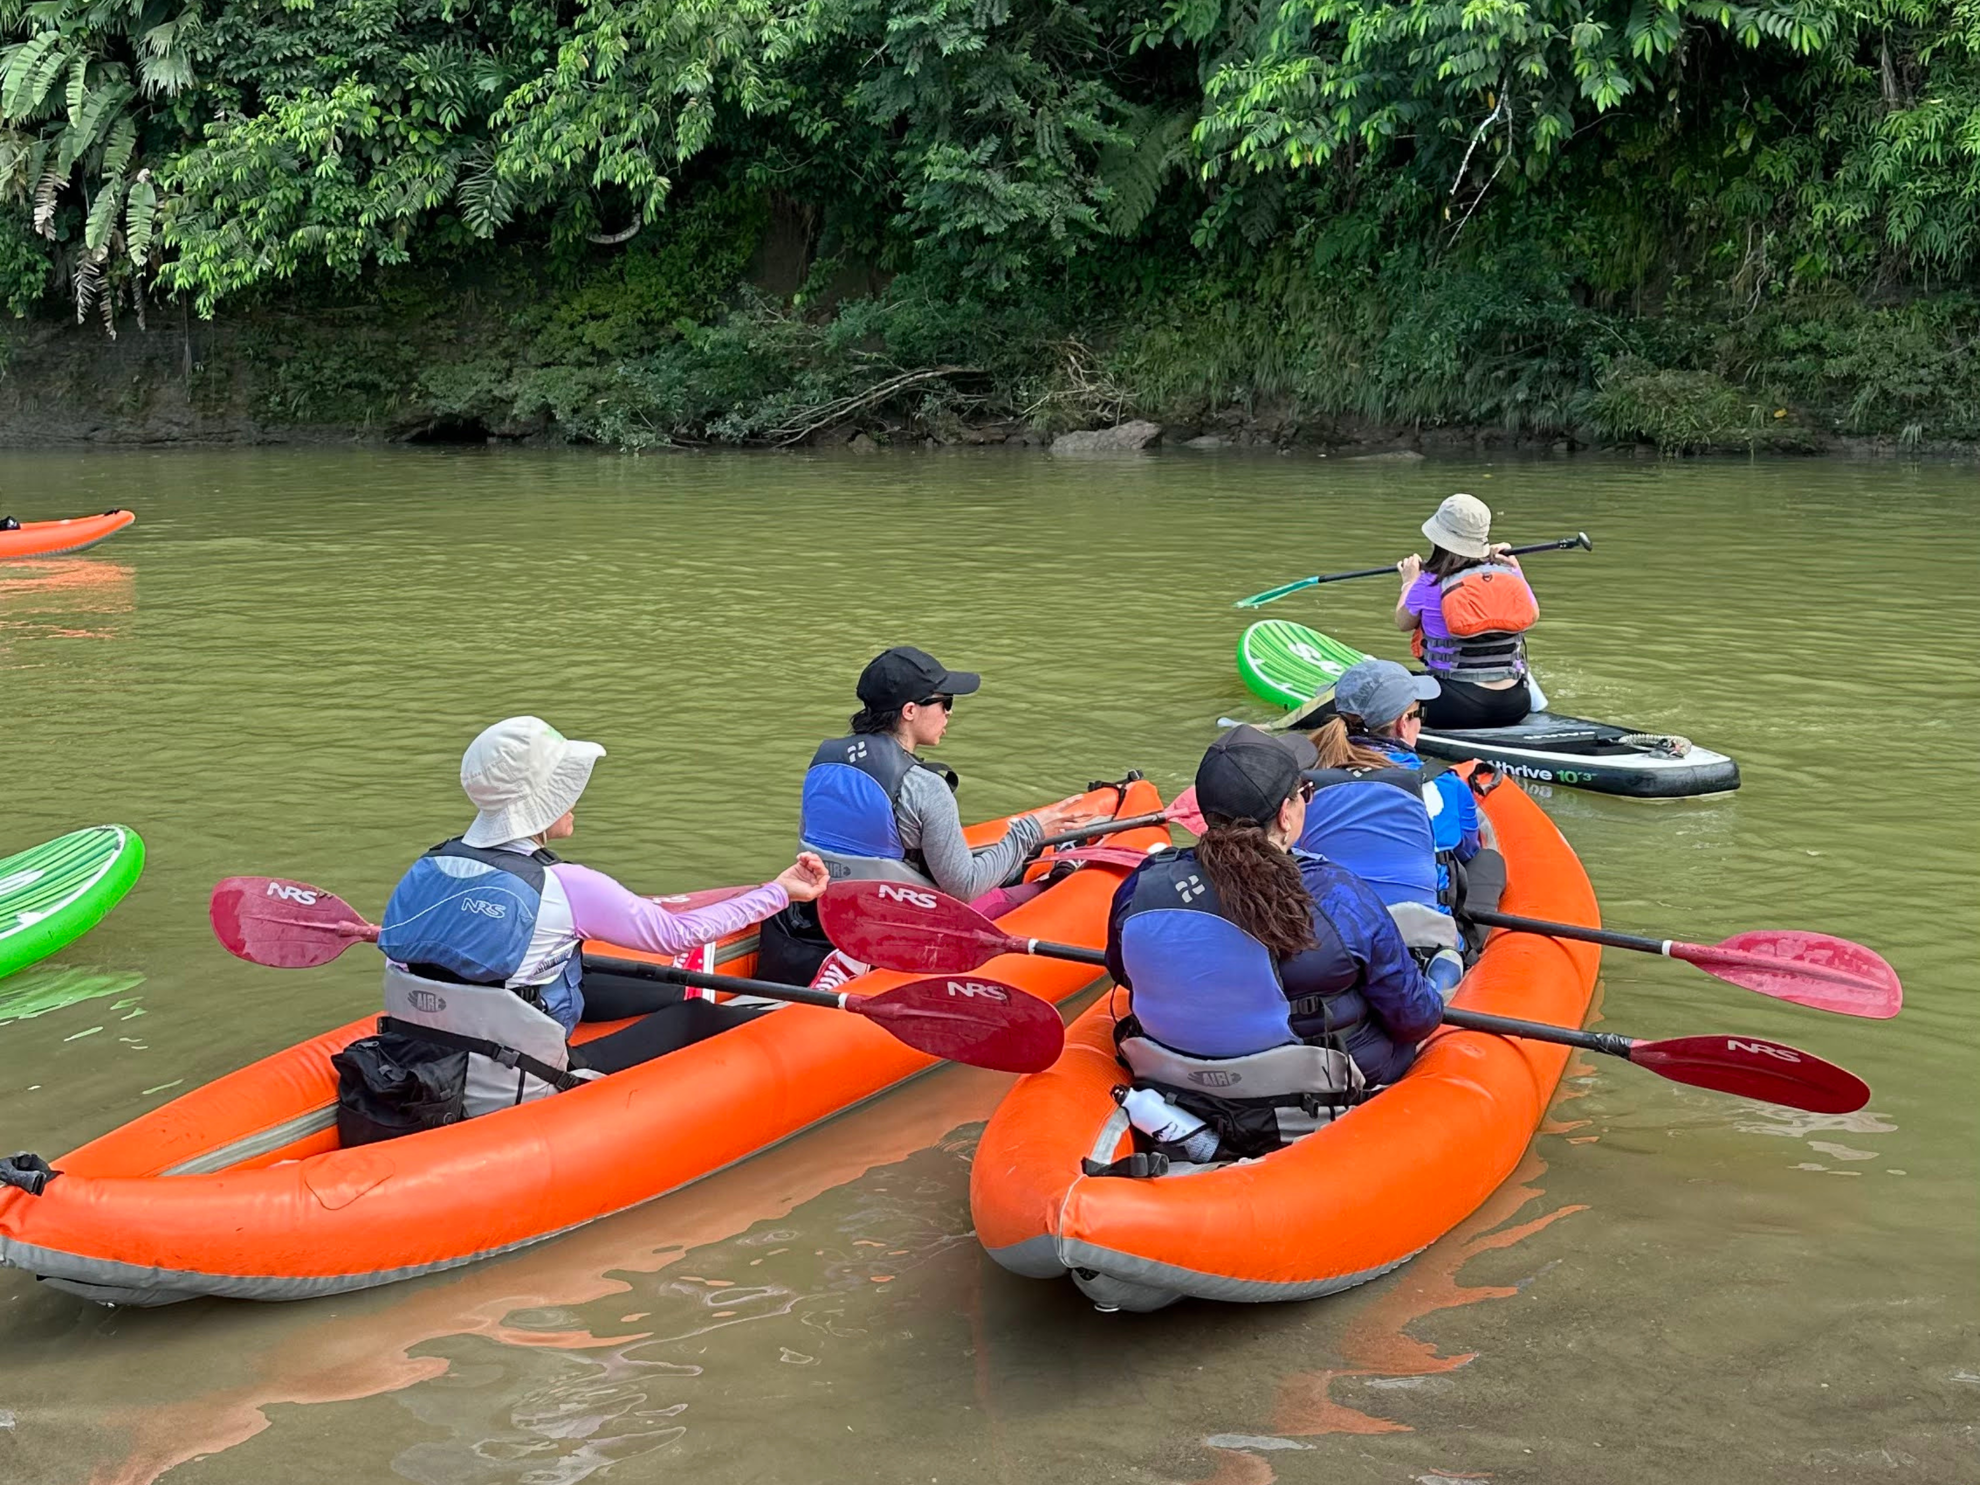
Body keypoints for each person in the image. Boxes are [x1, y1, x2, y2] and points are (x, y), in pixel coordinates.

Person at [372, 716, 829, 1119]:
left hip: (438, 1039)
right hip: (514, 1070)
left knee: (654, 987)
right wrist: (778, 893)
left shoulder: (428, 866)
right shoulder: (568, 885)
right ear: (543, 800)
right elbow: (675, 935)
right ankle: (811, 1036)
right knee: (694, 1016)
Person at [1105, 726, 1455, 1101]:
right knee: (1437, 969)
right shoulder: (1337, 896)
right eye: (1305, 793)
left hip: (1176, 1075)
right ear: (1286, 815)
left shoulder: (1141, 886)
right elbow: (1414, 1018)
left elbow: (1123, 971)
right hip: (1315, 1088)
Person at [757, 645, 1097, 986]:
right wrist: (1029, 832)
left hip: (823, 917)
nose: (949, 713)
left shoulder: (823, 764)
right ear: (909, 710)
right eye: (944, 702)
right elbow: (964, 887)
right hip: (902, 924)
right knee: (1039, 893)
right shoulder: (924, 786)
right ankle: (1063, 870)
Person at [1301, 659, 1492, 937]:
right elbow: (1466, 851)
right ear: (1404, 724)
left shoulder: (1304, 784)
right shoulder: (1441, 784)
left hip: (1332, 934)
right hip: (1419, 936)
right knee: (1488, 862)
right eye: (1419, 713)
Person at [1395, 492, 1539, 730]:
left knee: (1392, 678)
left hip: (1457, 707)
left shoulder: (1428, 581)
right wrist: (1513, 566)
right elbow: (1532, 614)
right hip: (1516, 704)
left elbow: (1403, 622)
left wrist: (1409, 580)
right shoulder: (1510, 573)